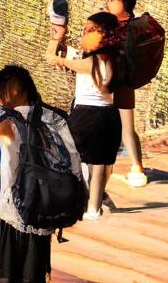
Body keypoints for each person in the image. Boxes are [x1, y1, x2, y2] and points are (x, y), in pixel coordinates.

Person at [0, 65, 83, 283]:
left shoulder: (8, 120)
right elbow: (75, 165)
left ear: (12, 91)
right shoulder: (56, 119)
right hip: (45, 217)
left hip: (10, 215)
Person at [45, 11, 121, 220]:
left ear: (102, 34)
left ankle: (69, 201)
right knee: (99, 163)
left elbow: (51, 58)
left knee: (68, 157)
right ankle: (93, 209)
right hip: (111, 117)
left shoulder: (90, 63)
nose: (84, 34)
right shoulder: (117, 58)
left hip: (86, 115)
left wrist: (56, 37)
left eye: (89, 30)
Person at [104, 0, 147, 187]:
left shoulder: (119, 25)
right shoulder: (135, 25)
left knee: (120, 127)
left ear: (122, 2)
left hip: (113, 81)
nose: (108, 2)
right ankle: (137, 166)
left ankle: (112, 168)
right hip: (125, 80)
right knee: (127, 127)